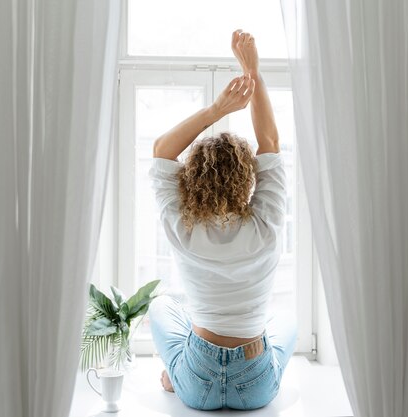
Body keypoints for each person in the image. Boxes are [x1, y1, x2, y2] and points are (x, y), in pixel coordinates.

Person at [147, 29, 297, 411]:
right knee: (287, 322)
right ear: (248, 178)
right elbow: (270, 144)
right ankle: (260, 369)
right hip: (255, 380)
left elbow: (162, 151)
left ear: (192, 177)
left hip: (199, 380)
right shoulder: (265, 223)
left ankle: (177, 373)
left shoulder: (183, 227)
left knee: (163, 306)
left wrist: (217, 109)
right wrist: (253, 70)